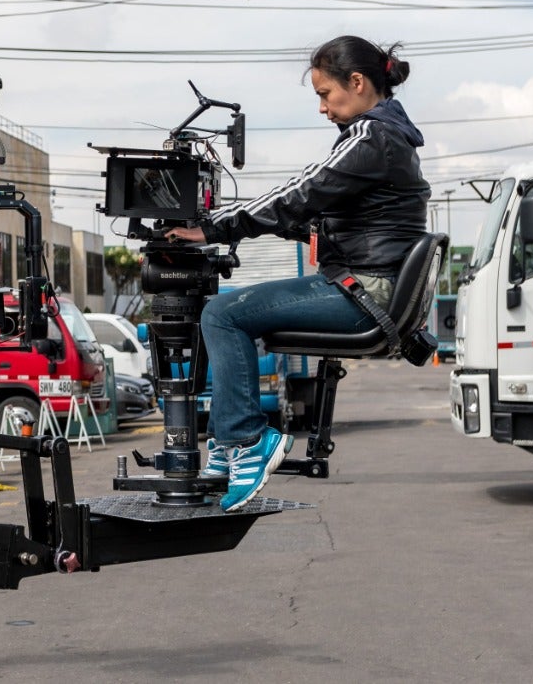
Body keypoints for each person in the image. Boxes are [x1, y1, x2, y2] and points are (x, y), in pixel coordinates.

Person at [164, 35, 430, 512]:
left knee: (222, 314)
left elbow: (300, 192)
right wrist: (249, 225)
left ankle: (247, 440)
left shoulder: (372, 138)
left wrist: (212, 227)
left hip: (364, 293)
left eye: (325, 94)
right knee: (229, 315)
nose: (322, 108)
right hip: (367, 285)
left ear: (357, 82)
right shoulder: (391, 137)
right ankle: (226, 445)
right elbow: (312, 215)